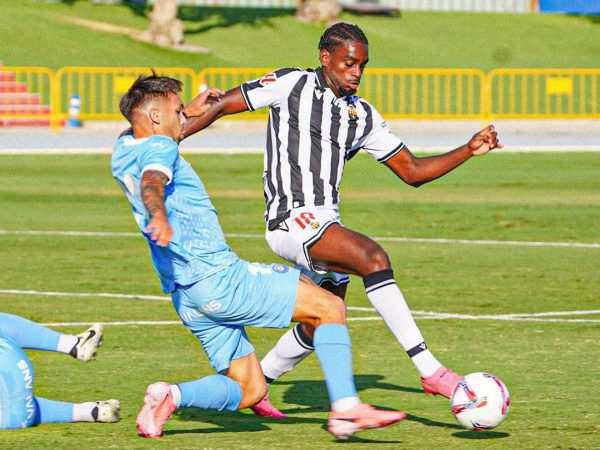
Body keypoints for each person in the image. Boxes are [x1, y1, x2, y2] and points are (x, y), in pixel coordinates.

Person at [181, 22, 503, 418]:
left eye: (363, 66)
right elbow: (220, 105)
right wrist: (172, 138)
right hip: (290, 220)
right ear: (325, 58)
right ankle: (431, 370)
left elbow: (413, 171)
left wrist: (468, 150)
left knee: (324, 317)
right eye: (349, 63)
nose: (356, 72)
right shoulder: (290, 84)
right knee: (373, 258)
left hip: (324, 223)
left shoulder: (362, 115)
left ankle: (258, 385)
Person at [111, 71, 406, 440]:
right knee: (329, 306)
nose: (181, 115)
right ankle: (346, 409)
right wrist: (158, 214)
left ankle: (170, 395)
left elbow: (152, 150)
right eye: (175, 109)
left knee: (250, 389)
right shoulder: (160, 151)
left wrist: (189, 113)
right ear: (155, 117)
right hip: (219, 279)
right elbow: (153, 180)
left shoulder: (123, 148)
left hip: (186, 295)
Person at [0, 313, 120, 429]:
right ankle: (90, 411)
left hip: (11, 383)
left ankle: (74, 344)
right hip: (14, 377)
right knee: (16, 405)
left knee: (13, 405)